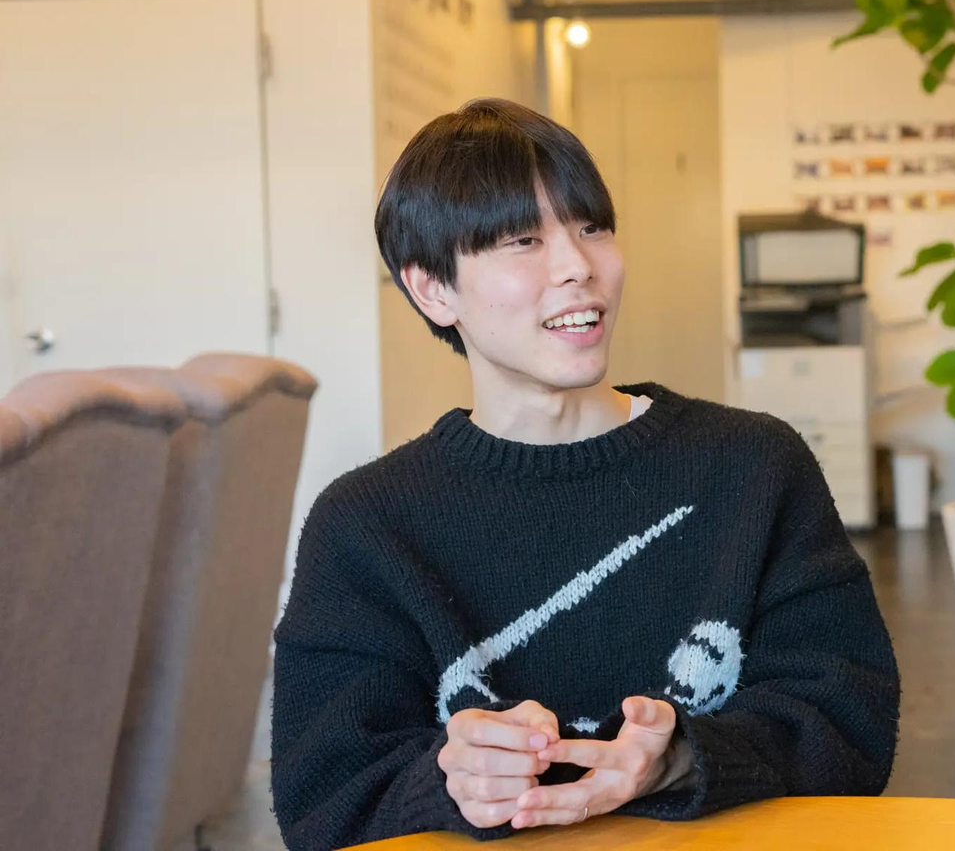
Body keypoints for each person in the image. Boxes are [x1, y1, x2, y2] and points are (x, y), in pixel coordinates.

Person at [269, 98, 901, 848]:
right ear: (432, 289)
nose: (580, 267)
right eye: (522, 241)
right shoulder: (366, 523)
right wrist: (448, 781)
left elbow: (850, 718)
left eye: (592, 228)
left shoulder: (754, 466)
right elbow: (323, 797)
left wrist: (681, 759)